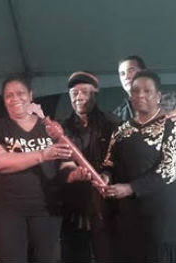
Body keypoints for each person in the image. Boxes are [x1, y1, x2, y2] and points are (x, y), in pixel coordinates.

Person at [0, 75, 90, 263]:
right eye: (9, 95)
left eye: (20, 93)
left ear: (31, 95)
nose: (15, 98)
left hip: (46, 211)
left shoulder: (52, 128)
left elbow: (65, 163)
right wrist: (42, 154)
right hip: (6, 213)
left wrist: (74, 174)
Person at [100, 70, 176, 262]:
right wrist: (105, 176)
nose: (140, 95)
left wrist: (131, 188)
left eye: (147, 91)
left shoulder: (172, 125)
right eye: (135, 91)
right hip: (132, 210)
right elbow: (109, 162)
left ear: (158, 96)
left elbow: (170, 169)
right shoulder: (121, 130)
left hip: (165, 209)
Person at [61, 71, 120, 263]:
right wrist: (71, 172)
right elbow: (58, 164)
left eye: (84, 92)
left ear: (95, 93)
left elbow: (119, 158)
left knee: (106, 253)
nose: (79, 97)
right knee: (76, 254)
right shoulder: (62, 128)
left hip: (105, 203)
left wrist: (107, 174)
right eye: (74, 92)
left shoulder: (112, 124)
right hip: (73, 204)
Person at [114, 55, 176, 179]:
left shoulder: (172, 100)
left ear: (144, 72)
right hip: (139, 186)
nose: (126, 76)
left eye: (131, 70)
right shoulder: (119, 114)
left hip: (174, 184)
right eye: (122, 73)